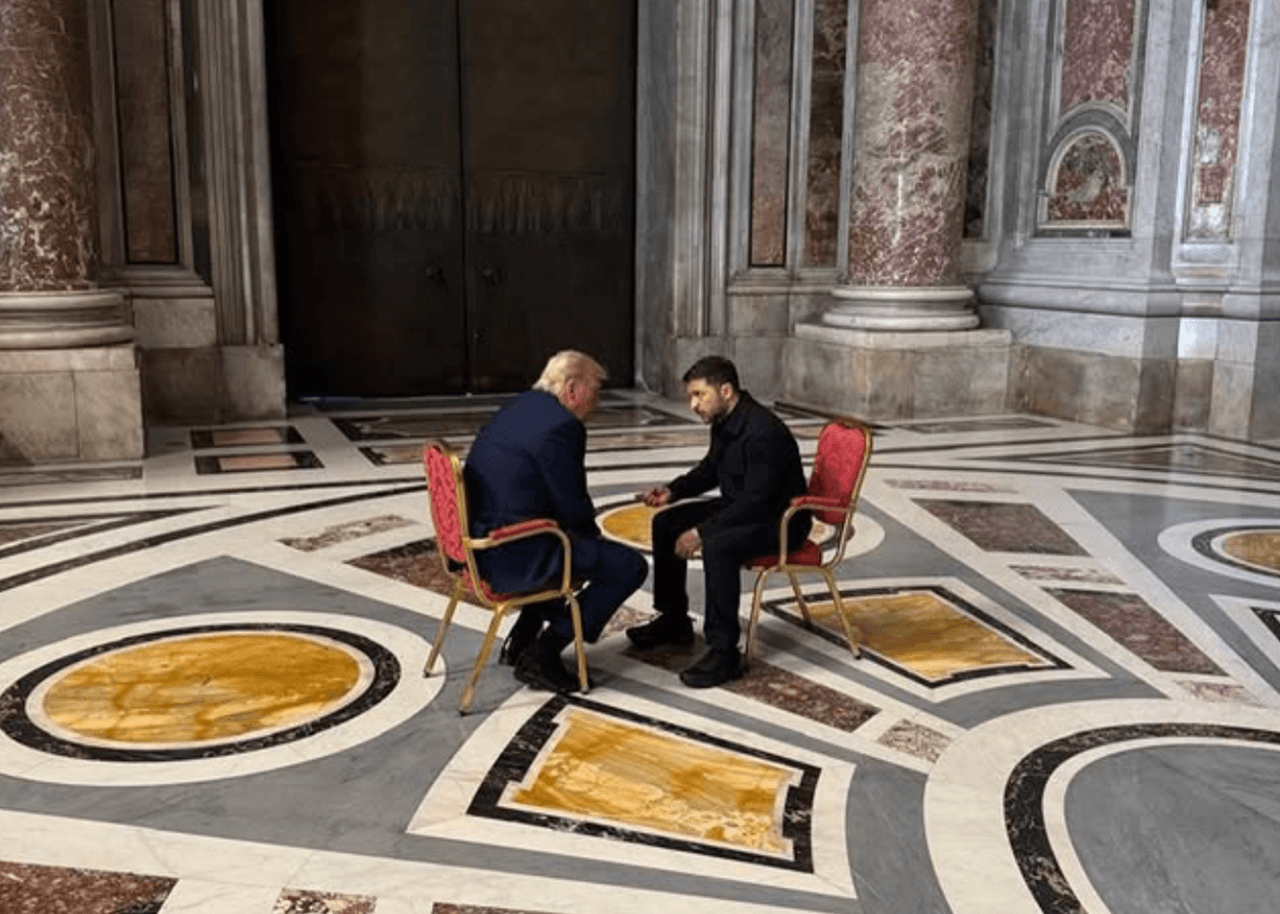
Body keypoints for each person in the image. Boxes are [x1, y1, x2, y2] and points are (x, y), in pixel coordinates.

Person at [464, 350, 649, 692]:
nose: (598, 402)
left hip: (481, 544)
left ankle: (520, 639)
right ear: (573, 389)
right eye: (596, 391)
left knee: (568, 541)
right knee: (628, 567)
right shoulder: (562, 426)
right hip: (515, 553)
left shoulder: (519, 407)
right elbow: (572, 503)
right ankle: (544, 652)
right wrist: (596, 546)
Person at [627, 356, 810, 687]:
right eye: (691, 396)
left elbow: (757, 502)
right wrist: (673, 491)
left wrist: (701, 532)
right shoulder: (725, 420)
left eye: (699, 395)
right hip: (743, 507)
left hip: (779, 522)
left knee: (719, 545)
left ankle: (725, 652)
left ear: (725, 390)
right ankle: (673, 621)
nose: (693, 404)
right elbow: (712, 468)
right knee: (666, 523)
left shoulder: (763, 432)